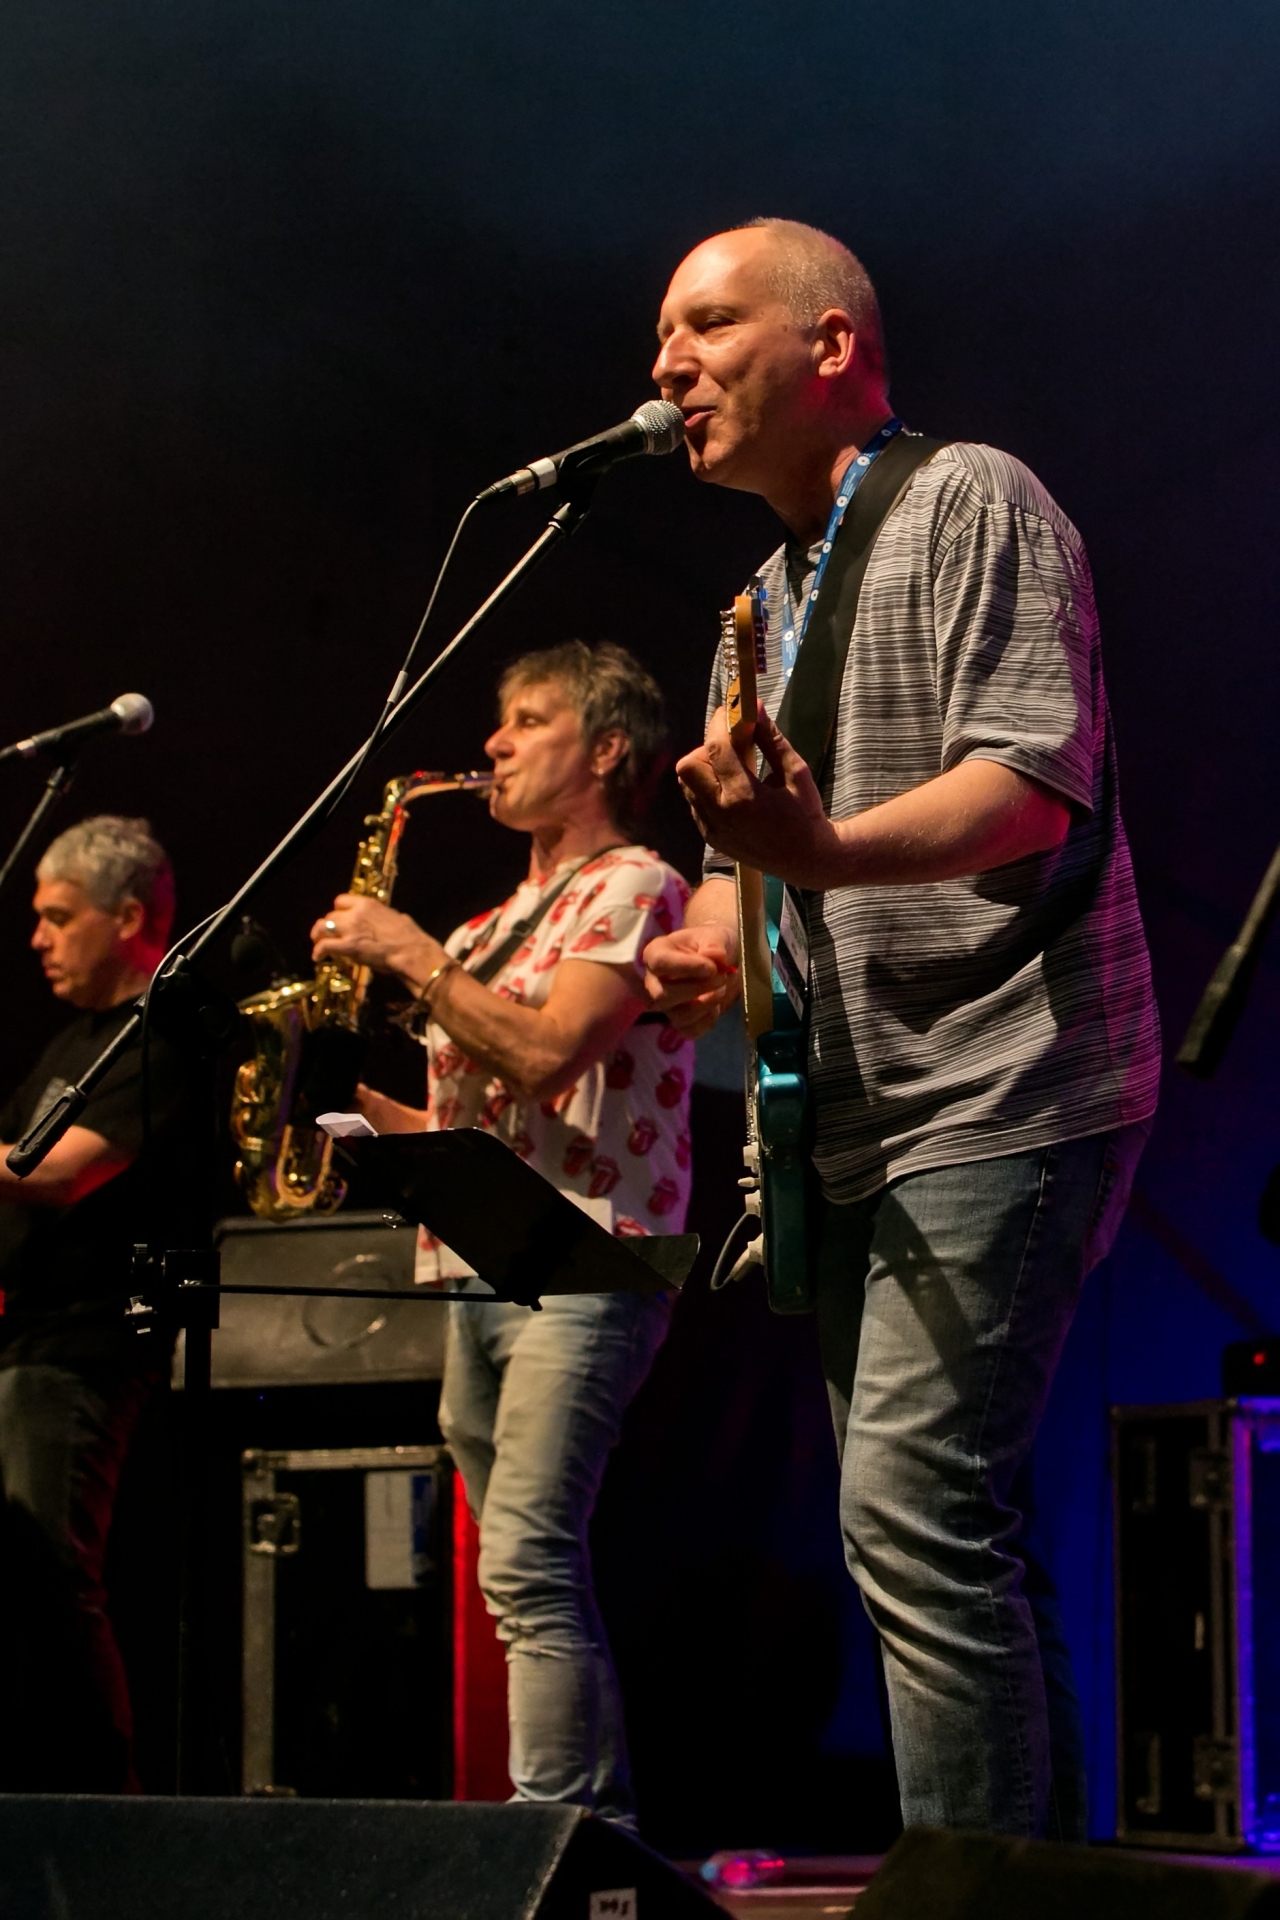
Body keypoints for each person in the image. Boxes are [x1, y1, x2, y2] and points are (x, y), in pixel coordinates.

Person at [640, 218, 1160, 1841]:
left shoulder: (972, 499)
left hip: (1009, 1076)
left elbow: (1028, 785)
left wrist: (816, 856)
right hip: (863, 1113)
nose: (666, 366)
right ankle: (1042, 1891)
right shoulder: (762, 601)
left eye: (706, 325)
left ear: (832, 344)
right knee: (951, 1534)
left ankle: (970, 1896)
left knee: (915, 1513)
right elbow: (773, 863)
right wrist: (718, 941)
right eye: (661, 338)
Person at [310, 640, 692, 1824]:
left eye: (528, 720)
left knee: (526, 1557)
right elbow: (469, 1119)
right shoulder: (489, 927)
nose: (493, 743)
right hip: (480, 1255)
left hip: (585, 1253)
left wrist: (409, 957)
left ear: (606, 749)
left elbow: (544, 1056)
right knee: (517, 1572)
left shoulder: (634, 884)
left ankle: (555, 1833)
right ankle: (594, 1831)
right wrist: (336, 1105)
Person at [0, 815, 197, 1790]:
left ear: (126, 918)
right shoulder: (70, 1042)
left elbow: (60, 1172)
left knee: (51, 1579)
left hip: (82, 1345)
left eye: (59, 917)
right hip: (28, 1339)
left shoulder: (160, 1036)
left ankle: (92, 1805)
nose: (38, 938)